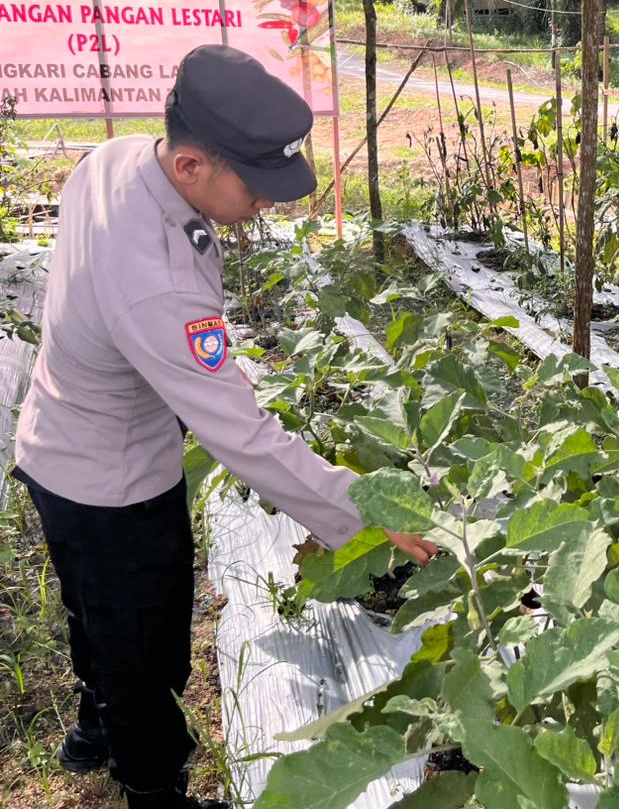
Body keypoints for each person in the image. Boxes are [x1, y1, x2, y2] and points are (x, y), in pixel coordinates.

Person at [13, 45, 436, 809]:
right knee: (146, 651)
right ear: (191, 168)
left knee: (94, 613)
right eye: (258, 185)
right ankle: (151, 788)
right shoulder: (156, 281)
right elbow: (239, 437)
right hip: (115, 484)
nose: (268, 203)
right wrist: (365, 511)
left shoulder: (113, 160)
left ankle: (92, 733)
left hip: (55, 446)